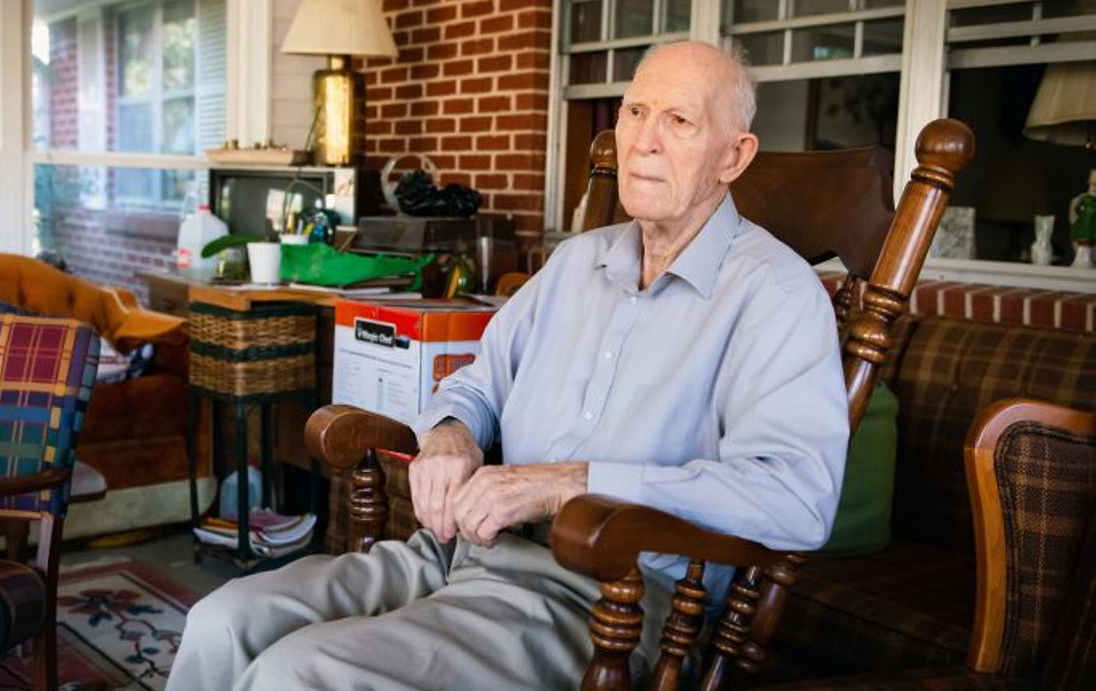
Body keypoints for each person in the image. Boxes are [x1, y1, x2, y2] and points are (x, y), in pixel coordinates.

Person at [166, 40, 849, 690]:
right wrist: (452, 431)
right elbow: (476, 381)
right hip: (466, 549)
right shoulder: (579, 262)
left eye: (679, 121)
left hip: (608, 601)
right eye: (636, 111)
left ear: (734, 155)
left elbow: (797, 497)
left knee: (299, 673)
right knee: (222, 622)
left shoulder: (776, 296)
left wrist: (566, 483)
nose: (644, 139)